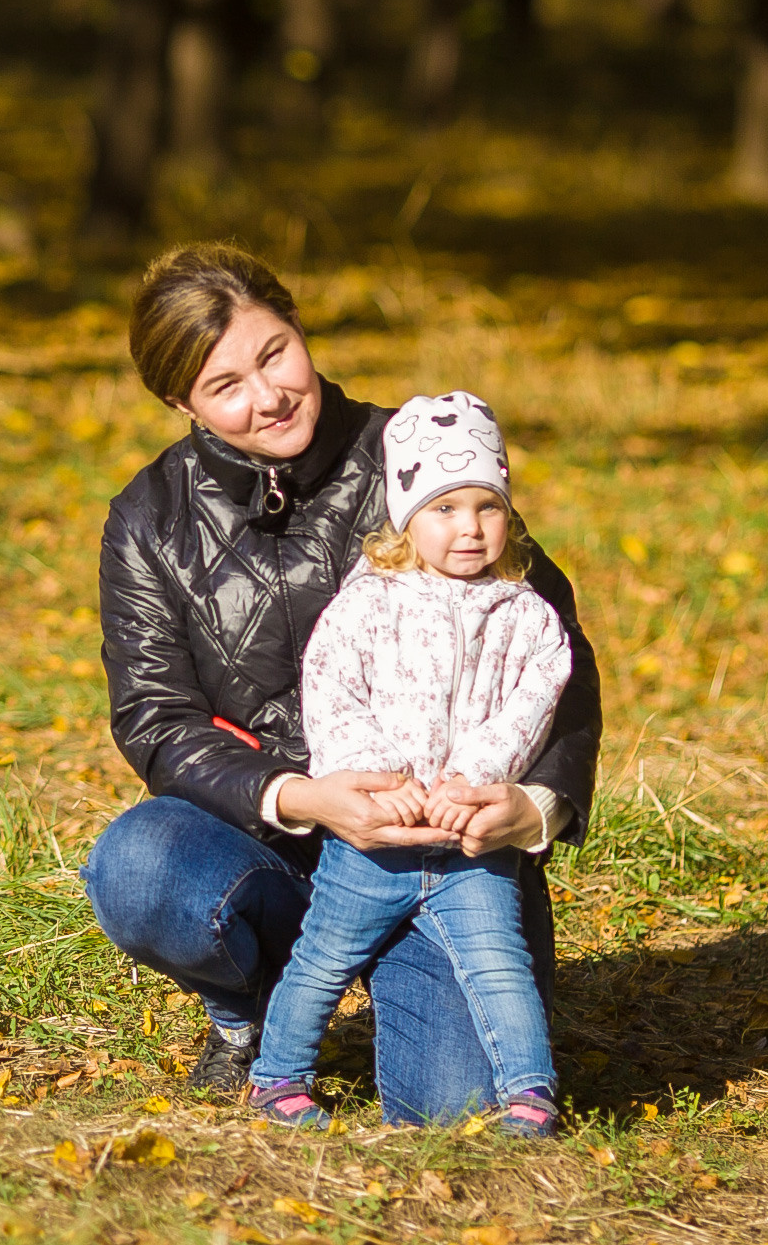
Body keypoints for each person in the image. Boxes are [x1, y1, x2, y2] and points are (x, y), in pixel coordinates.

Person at [82, 241, 601, 1126]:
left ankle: (416, 982)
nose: (269, 394)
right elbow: (156, 718)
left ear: (300, 328)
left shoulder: (422, 453)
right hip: (271, 837)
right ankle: (249, 1011)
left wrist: (538, 804)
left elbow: (551, 649)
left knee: (458, 1111)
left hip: (441, 843)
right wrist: (303, 795)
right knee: (138, 865)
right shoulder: (148, 518)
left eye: (275, 352)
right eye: (226, 384)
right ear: (182, 404)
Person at [248, 392, 571, 1137]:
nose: (468, 528)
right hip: (376, 843)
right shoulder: (369, 604)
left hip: (468, 846)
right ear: (406, 516)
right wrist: (374, 776)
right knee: (322, 958)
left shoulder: (526, 615)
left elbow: (530, 704)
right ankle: (278, 1076)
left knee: (501, 966)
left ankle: (530, 1091)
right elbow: (331, 688)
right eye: (444, 508)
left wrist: (478, 781)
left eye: (486, 507)